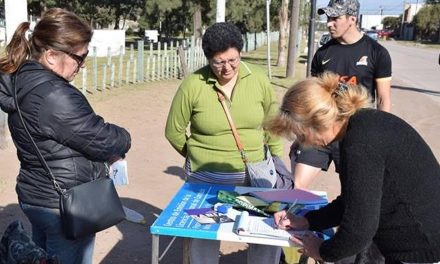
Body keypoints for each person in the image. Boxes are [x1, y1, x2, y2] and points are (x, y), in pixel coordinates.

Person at [0, 8, 131, 264]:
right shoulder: (54, 95)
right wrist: (125, 137)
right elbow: (102, 138)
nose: (82, 65)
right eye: (79, 58)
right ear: (50, 56)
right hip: (64, 205)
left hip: (37, 196)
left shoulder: (22, 80)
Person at [268, 72, 440, 264]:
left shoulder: (359, 141)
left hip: (422, 248)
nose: (302, 143)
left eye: (300, 135)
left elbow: (359, 228)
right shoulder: (362, 126)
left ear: (316, 122)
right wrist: (308, 220)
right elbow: (353, 201)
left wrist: (323, 251)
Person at [165, 22, 283, 264]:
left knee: (263, 232)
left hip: (255, 176)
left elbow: (273, 126)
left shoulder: (259, 79)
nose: (227, 67)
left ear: (241, 53)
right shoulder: (193, 84)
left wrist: (279, 163)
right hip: (206, 181)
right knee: (205, 237)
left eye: (233, 60)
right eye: (219, 62)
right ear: (208, 59)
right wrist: (196, 155)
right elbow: (173, 131)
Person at [291, 0, 392, 189]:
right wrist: (301, 134)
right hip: (321, 129)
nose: (329, 23)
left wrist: (380, 137)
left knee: (354, 192)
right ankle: (294, 218)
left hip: (355, 134)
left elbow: (383, 99)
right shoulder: (323, 53)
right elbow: (311, 96)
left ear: (352, 19)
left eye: (335, 18)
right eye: (328, 18)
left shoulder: (377, 53)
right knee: (297, 186)